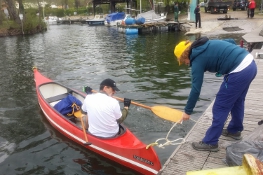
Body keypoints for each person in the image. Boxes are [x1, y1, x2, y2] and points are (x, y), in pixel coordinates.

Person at [174, 36, 257, 152]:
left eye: (183, 61)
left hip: (239, 71)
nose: (186, 64)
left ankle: (210, 142)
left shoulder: (197, 60)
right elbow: (231, 41)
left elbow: (196, 89)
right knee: (238, 100)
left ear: (185, 56)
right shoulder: (205, 44)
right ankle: (234, 130)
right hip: (250, 64)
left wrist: (187, 111)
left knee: (220, 106)